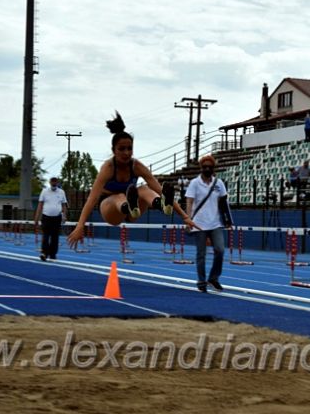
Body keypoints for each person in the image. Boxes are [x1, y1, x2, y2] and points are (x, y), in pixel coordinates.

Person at [67, 112, 196, 248]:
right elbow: (91, 199)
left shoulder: (137, 166)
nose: (126, 153)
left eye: (130, 148)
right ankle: (128, 206)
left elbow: (158, 188)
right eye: (122, 149)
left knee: (145, 189)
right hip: (110, 209)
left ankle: (161, 205)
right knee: (120, 195)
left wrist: (185, 216)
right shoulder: (109, 167)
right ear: (114, 150)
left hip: (134, 212)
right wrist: (80, 226)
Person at [185, 154, 233, 293]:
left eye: (210, 167)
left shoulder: (219, 183)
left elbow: (224, 202)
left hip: (215, 223)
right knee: (201, 254)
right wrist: (188, 219)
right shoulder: (195, 183)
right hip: (199, 223)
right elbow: (189, 202)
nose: (207, 169)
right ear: (201, 168)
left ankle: (213, 278)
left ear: (213, 168)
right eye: (205, 167)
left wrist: (228, 220)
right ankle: (201, 280)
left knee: (220, 250)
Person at [34, 176, 68, 261]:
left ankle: (53, 254)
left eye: (55, 181)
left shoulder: (61, 192)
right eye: (52, 181)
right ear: (50, 182)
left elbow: (64, 205)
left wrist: (64, 216)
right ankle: (44, 253)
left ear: (57, 182)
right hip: (46, 217)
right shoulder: (44, 191)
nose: (54, 183)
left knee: (55, 237)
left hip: (57, 217)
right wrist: (36, 218)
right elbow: (40, 205)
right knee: (45, 236)